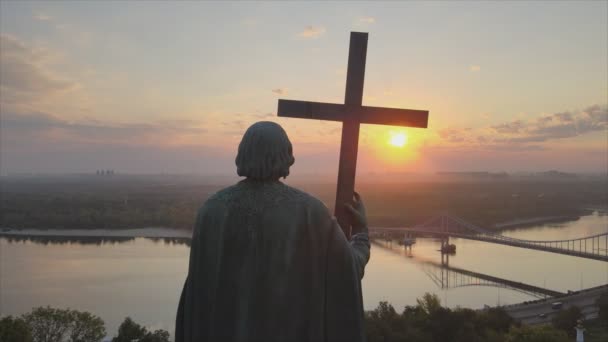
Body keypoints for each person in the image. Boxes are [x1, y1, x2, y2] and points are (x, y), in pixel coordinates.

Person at [175, 121, 370, 342]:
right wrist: (361, 232)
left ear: (243, 154)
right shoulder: (309, 212)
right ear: (285, 157)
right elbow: (348, 271)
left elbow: (196, 300)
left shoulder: (211, 211)